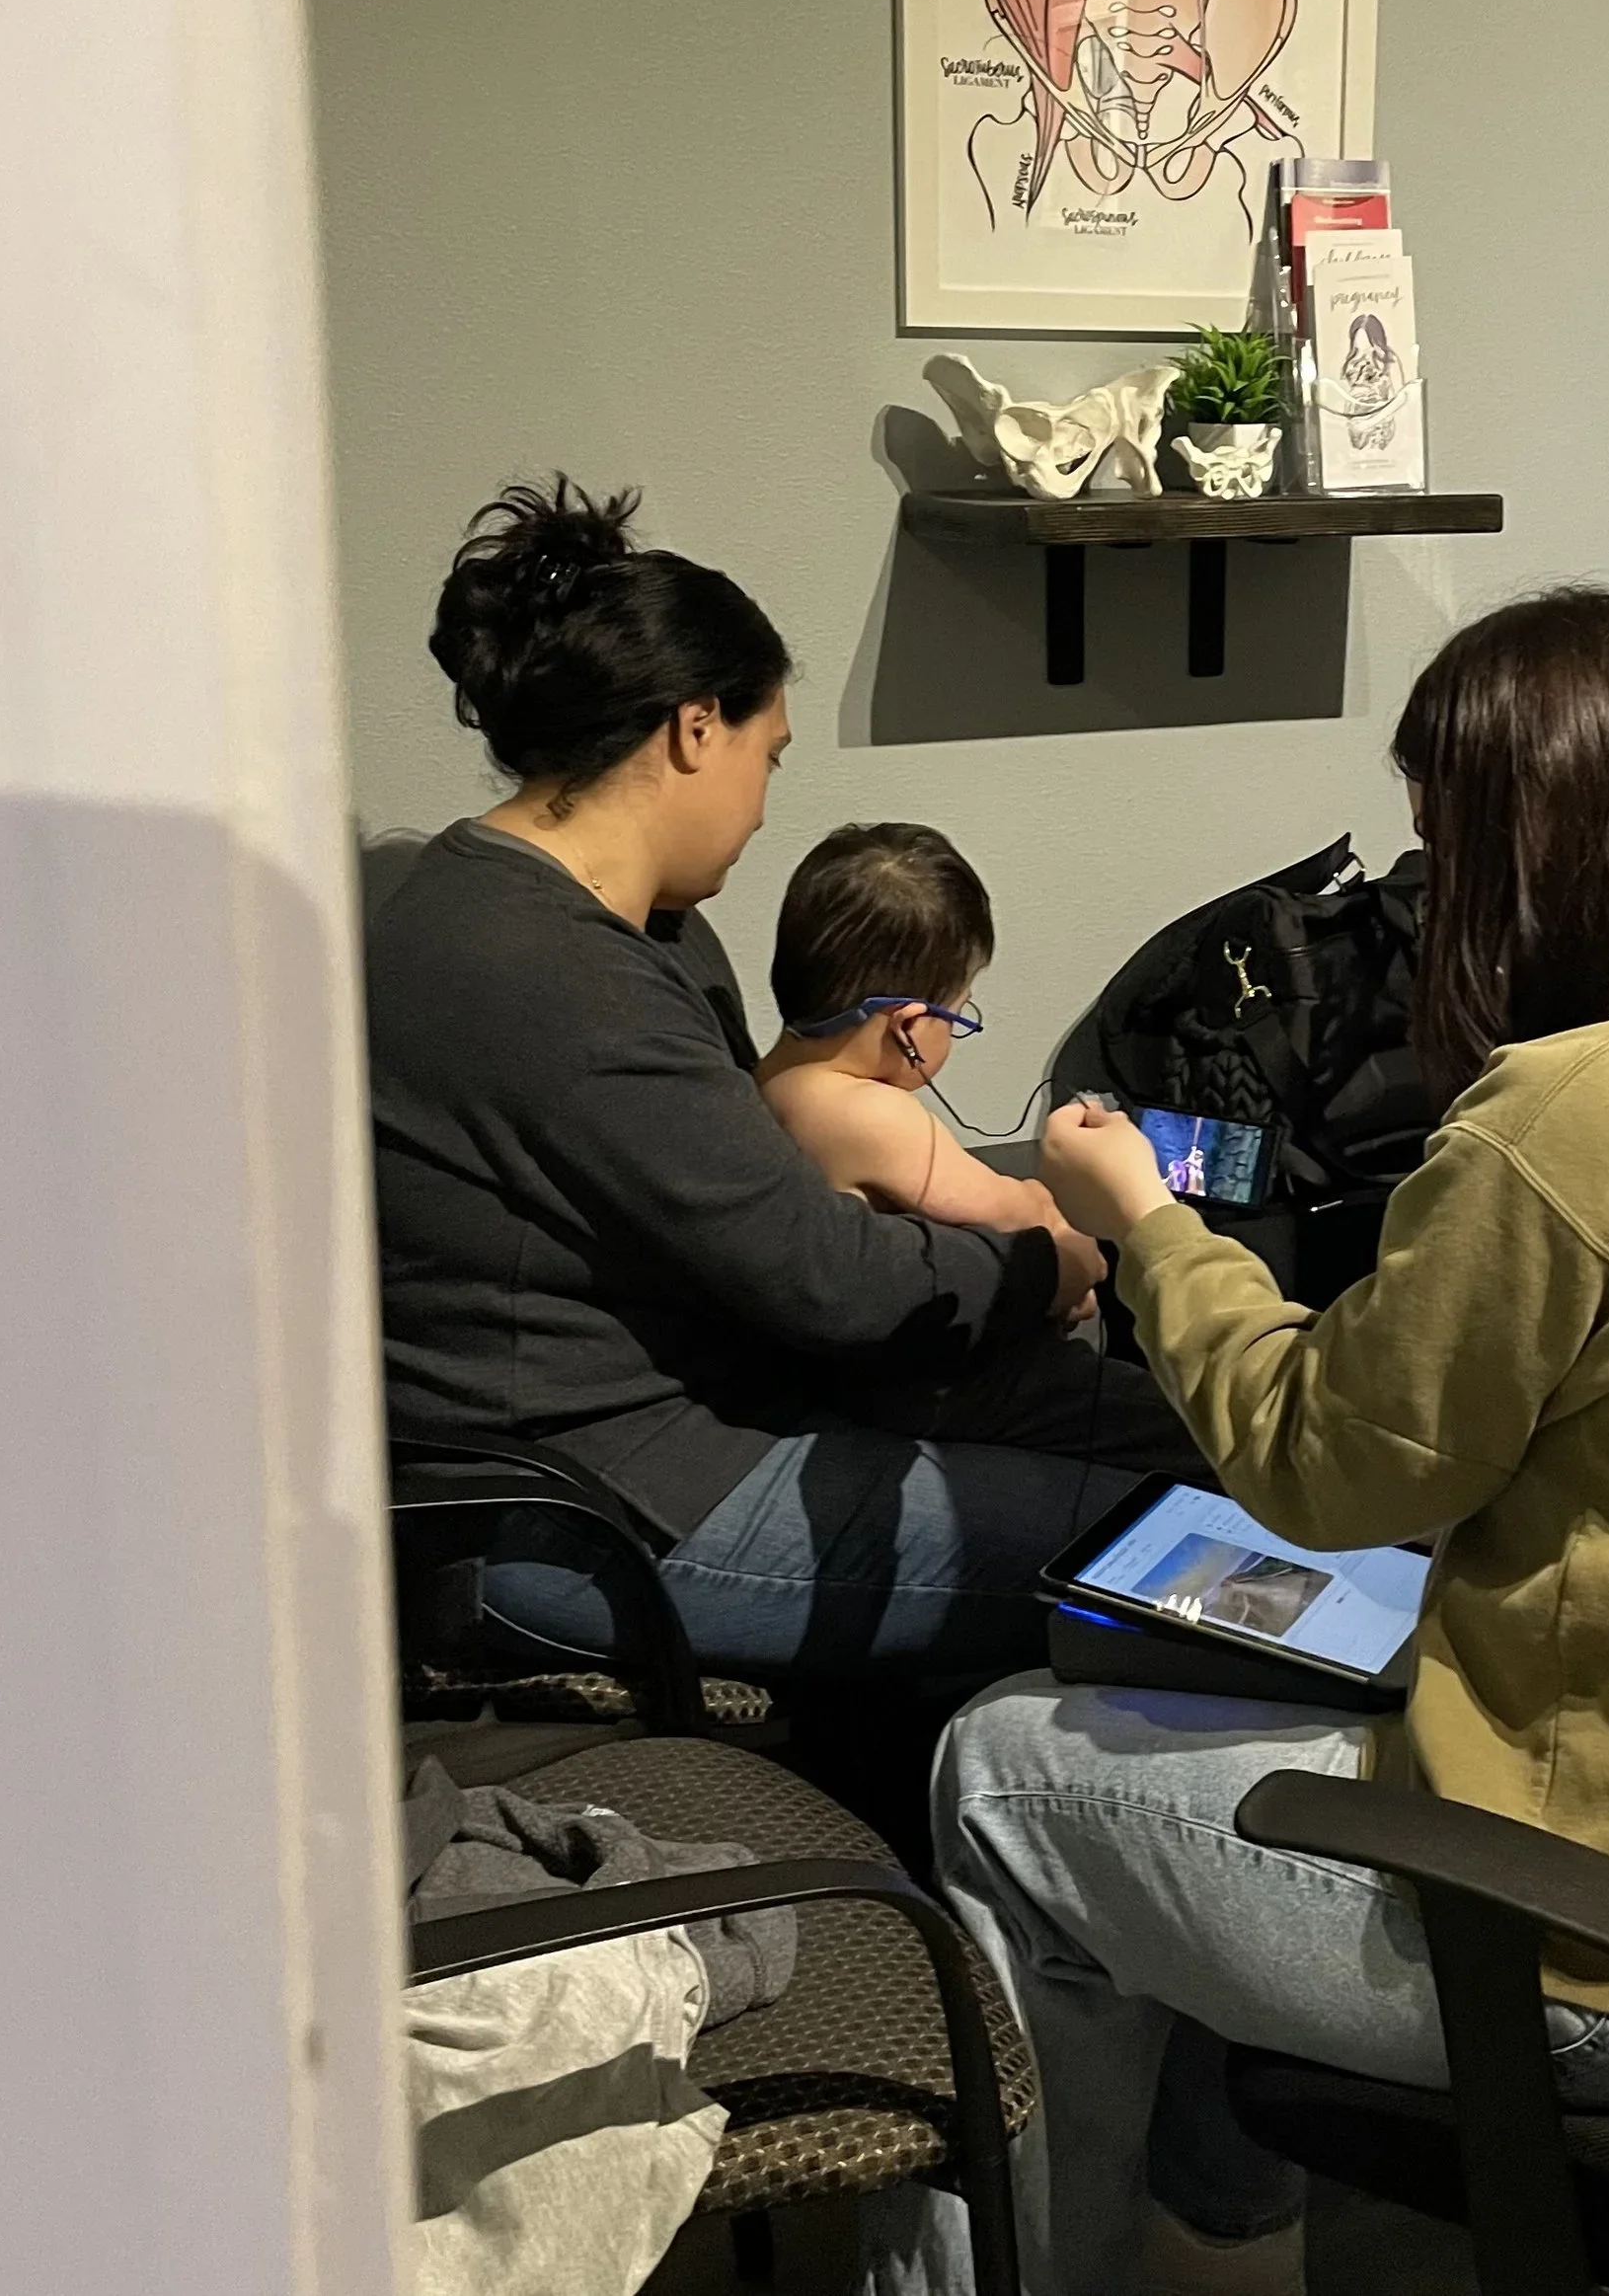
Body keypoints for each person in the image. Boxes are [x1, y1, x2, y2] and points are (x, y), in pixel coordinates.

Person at [923, 588, 1609, 2296]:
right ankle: (1231, 2224)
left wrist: (1150, 1224)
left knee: (1003, 1771)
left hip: (1587, 1932)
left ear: (1525, 855)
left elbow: (1327, 1468)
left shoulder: (1566, 1124)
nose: (1434, 907)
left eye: (1446, 859)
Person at [366, 476, 1201, 1688]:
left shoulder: (634, 927)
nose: (764, 808)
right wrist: (1041, 1261)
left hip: (709, 1413)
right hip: (589, 1513)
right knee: (1165, 1550)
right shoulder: (534, 968)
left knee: (1187, 1440)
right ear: (694, 728)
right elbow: (822, 1276)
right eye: (768, 753)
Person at [756, 822, 1082, 1249]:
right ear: (907, 1027)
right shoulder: (871, 1115)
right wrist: (1053, 1191)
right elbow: (1014, 1213)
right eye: (959, 1012)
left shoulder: (767, 1079)